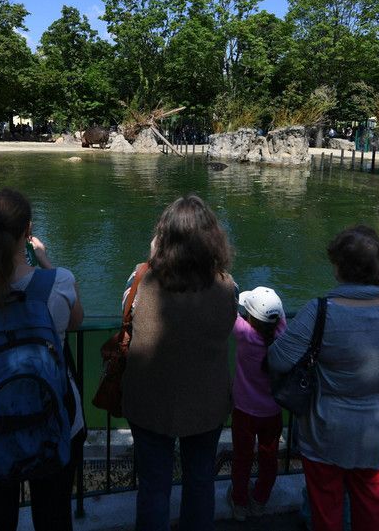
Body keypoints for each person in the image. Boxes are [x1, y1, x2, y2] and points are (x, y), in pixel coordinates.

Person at [0, 188, 85, 531]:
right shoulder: (60, 282)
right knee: (54, 519)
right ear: (28, 230)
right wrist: (46, 261)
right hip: (57, 422)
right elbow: (76, 321)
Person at [268, 226, 379, 531]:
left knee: (326, 507)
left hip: (326, 427)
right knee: (370, 504)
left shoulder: (320, 311)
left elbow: (278, 358)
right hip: (376, 429)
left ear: (339, 268)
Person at [121, 195, 237, 531]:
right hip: (206, 401)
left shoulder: (142, 278)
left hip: (149, 400)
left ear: (163, 236)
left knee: (153, 486)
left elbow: (126, 315)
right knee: (200, 482)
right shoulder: (227, 286)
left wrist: (151, 258)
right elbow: (228, 323)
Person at [227, 286, 286, 521]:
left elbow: (228, 309)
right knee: (269, 457)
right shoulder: (282, 334)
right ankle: (260, 499)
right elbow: (279, 316)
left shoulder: (244, 333)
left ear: (250, 316)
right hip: (272, 411)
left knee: (242, 457)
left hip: (244, 411)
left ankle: (240, 503)